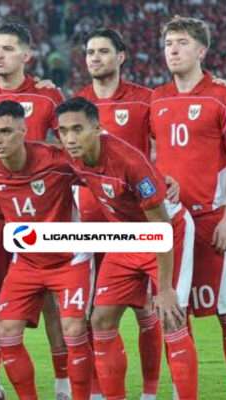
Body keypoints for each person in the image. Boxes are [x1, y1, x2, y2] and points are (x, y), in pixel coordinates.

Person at [56, 97, 199, 400]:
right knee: (101, 320)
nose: (70, 138)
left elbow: (161, 227)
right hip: (125, 236)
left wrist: (164, 289)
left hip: (167, 232)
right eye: (63, 131)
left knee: (172, 316)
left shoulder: (129, 162)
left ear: (97, 128)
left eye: (78, 129)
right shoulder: (70, 156)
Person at [0, 22, 71, 398]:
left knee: (55, 302)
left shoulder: (48, 96)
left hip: (43, 216)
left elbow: (69, 144)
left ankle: (63, 382)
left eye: (8, 48)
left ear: (26, 55)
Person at [150, 16, 226, 400]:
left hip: (210, 220)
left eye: (182, 43)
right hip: (171, 224)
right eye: (168, 44)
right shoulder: (156, 98)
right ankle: (183, 393)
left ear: (202, 51)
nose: (173, 50)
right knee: (174, 312)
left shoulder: (223, 96)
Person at [0, 100, 94, 400]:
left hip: (70, 258)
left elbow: (105, 169)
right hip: (26, 261)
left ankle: (77, 394)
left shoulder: (57, 161)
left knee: (73, 329)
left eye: (6, 131)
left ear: (23, 131)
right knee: (6, 333)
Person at [74, 28, 161, 400]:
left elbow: (164, 144)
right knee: (92, 311)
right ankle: (99, 390)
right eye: (90, 52)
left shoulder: (145, 100)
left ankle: (149, 391)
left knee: (147, 311)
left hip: (135, 222)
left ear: (121, 56)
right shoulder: (77, 103)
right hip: (89, 222)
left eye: (103, 51)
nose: (95, 58)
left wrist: (167, 175)